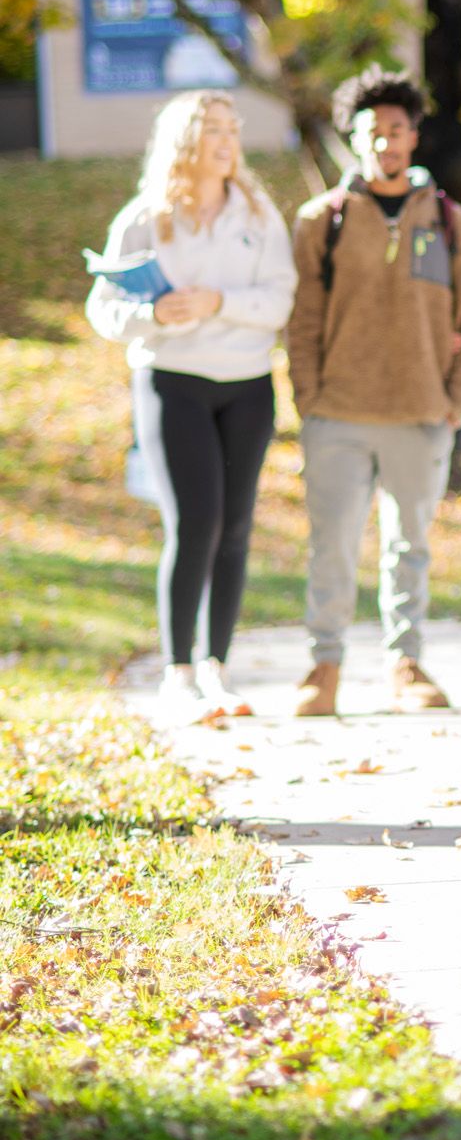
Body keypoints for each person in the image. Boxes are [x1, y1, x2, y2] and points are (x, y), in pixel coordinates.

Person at [86, 91, 294, 719]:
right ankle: (178, 673)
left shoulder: (259, 216)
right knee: (195, 524)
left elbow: (281, 299)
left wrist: (218, 304)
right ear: (184, 141)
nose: (226, 142)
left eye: (232, 129)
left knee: (235, 528)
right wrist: (152, 312)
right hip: (171, 383)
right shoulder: (145, 217)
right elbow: (103, 308)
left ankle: (217, 670)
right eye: (211, 130)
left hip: (248, 387)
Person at [286, 66, 461, 716]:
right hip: (337, 412)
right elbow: (304, 317)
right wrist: (308, 395)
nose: (386, 142)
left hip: (421, 412)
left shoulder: (450, 221)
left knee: (410, 546)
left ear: (413, 136)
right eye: (373, 131)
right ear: (355, 136)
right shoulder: (325, 219)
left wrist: (452, 397)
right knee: (333, 543)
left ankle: (406, 663)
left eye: (397, 130)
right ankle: (325, 665)